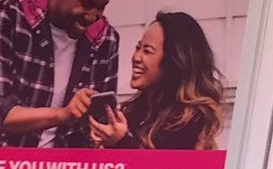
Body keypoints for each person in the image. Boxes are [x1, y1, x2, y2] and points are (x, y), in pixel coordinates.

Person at [0, 0, 119, 149]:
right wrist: (64, 114)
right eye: (86, 4)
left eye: (101, 7)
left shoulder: (106, 39)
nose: (93, 16)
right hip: (4, 165)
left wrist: (107, 131)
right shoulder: (10, 16)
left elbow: (101, 122)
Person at [90, 11, 227, 151]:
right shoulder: (133, 112)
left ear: (172, 62)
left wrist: (120, 142)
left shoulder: (191, 120)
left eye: (147, 51)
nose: (136, 57)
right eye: (138, 48)